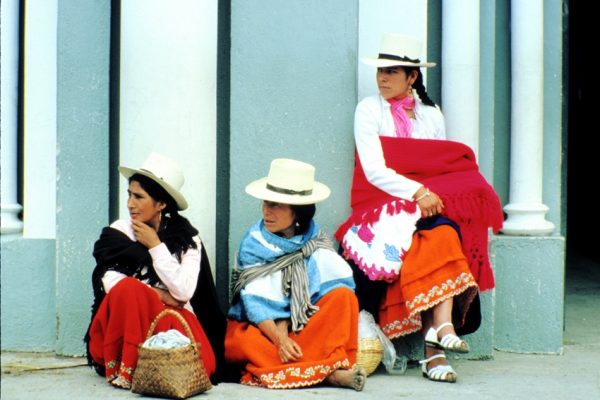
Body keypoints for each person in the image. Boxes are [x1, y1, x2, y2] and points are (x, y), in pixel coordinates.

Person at [334, 33, 504, 383]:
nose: (382, 77)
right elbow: (374, 170)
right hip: (382, 202)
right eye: (380, 70)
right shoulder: (368, 109)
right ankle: (437, 342)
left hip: (422, 203)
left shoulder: (431, 115)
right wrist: (418, 191)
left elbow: (439, 166)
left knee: (440, 235)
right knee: (437, 235)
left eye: (392, 71)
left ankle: (437, 333)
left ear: (412, 77)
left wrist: (427, 193)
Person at [84, 152, 226, 389]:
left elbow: (184, 291)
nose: (130, 204)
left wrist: (156, 247)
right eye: (129, 194)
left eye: (139, 197)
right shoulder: (119, 233)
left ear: (161, 204)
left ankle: (145, 365)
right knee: (129, 289)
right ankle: (127, 367)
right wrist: (160, 295)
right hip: (122, 328)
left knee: (203, 363)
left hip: (170, 323)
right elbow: (111, 282)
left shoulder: (187, 239)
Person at [225, 158, 366, 391]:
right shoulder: (253, 244)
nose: (266, 211)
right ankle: (329, 373)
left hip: (299, 324)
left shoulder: (314, 240)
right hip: (261, 327)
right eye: (265, 203)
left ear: (297, 212)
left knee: (343, 298)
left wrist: (289, 333)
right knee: (247, 344)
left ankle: (308, 368)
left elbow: (326, 291)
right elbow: (256, 306)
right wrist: (281, 340)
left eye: (276, 205)